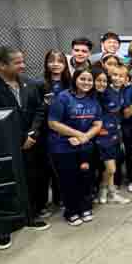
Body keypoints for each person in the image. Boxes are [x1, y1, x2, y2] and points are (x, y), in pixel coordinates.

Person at [0, 47, 50, 250]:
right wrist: (20, 138)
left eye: (22, 61)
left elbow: (39, 108)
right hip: (5, 147)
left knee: (30, 180)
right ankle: (3, 228)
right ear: (2, 65)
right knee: (6, 187)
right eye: (17, 62)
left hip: (31, 143)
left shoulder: (29, 83)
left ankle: (29, 216)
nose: (23, 65)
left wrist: (32, 134)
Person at [48, 68, 103, 226]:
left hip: (85, 146)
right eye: (82, 79)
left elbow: (98, 123)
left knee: (86, 179)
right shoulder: (63, 97)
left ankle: (86, 207)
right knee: (69, 180)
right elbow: (53, 123)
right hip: (63, 147)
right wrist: (78, 134)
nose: (86, 83)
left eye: (89, 80)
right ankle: (71, 211)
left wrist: (85, 137)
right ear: (75, 79)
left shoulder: (93, 98)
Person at [39, 49, 72, 215]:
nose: (56, 64)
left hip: (68, 131)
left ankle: (62, 199)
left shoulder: (70, 84)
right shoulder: (40, 84)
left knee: (65, 168)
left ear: (65, 64)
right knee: (48, 168)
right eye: (52, 61)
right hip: (48, 132)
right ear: (46, 63)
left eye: (60, 61)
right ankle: (44, 203)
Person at [92, 66, 130, 205]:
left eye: (121, 76)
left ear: (126, 79)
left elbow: (121, 114)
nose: (117, 78)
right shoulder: (103, 91)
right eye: (114, 75)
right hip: (103, 134)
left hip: (115, 134)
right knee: (110, 168)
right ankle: (104, 190)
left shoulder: (121, 92)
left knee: (112, 166)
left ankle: (108, 192)